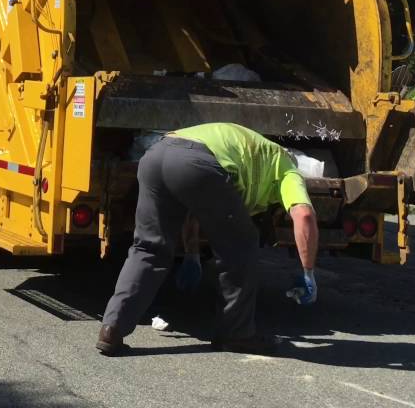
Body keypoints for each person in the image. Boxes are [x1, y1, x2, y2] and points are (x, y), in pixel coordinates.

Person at [97, 123, 318, 356]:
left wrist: (192, 255)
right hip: (198, 164)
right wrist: (308, 272)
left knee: (148, 248)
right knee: (241, 248)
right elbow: (303, 215)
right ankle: (237, 334)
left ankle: (112, 329)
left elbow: (193, 209)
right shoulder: (287, 169)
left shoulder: (249, 148)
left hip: (155, 156)